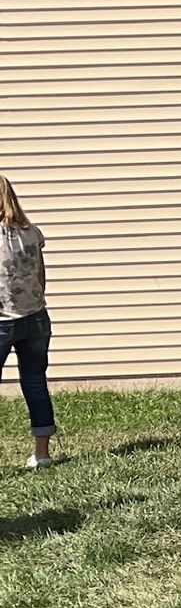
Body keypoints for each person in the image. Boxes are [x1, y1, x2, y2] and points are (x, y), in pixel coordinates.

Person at [0, 177, 57, 469]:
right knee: (35, 383)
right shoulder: (32, 233)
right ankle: (42, 454)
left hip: (2, 321)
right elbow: (40, 277)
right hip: (35, 317)